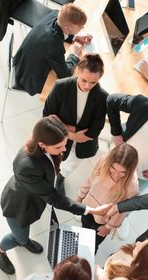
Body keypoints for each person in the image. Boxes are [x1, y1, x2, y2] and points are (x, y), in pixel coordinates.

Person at [0, 116, 111, 275]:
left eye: (65, 144)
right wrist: (91, 210)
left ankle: (24, 240)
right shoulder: (27, 167)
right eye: (59, 147)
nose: (64, 150)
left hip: (31, 198)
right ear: (42, 144)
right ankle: (0, 250)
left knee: (23, 234)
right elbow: (54, 198)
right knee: (18, 237)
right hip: (18, 206)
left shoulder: (41, 147)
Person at [43, 53, 108, 195]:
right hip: (61, 137)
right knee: (51, 159)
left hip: (82, 145)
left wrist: (61, 123)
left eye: (93, 82)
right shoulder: (61, 87)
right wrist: (72, 133)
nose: (87, 86)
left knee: (69, 165)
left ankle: (60, 178)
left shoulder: (102, 96)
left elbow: (95, 130)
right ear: (78, 70)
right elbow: (47, 116)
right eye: (84, 80)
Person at [13, 4, 92, 96]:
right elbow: (65, 74)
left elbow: (60, 31)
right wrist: (74, 54)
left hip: (21, 61)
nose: (82, 28)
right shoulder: (54, 44)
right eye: (81, 27)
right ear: (68, 28)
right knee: (72, 88)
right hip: (27, 77)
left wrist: (75, 37)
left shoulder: (55, 15)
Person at [76, 143, 139, 253]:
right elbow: (90, 179)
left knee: (92, 244)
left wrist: (108, 227)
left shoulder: (132, 186)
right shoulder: (104, 160)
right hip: (89, 205)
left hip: (104, 219)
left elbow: (122, 211)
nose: (115, 175)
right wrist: (80, 197)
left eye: (122, 172)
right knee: (83, 229)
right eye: (113, 168)